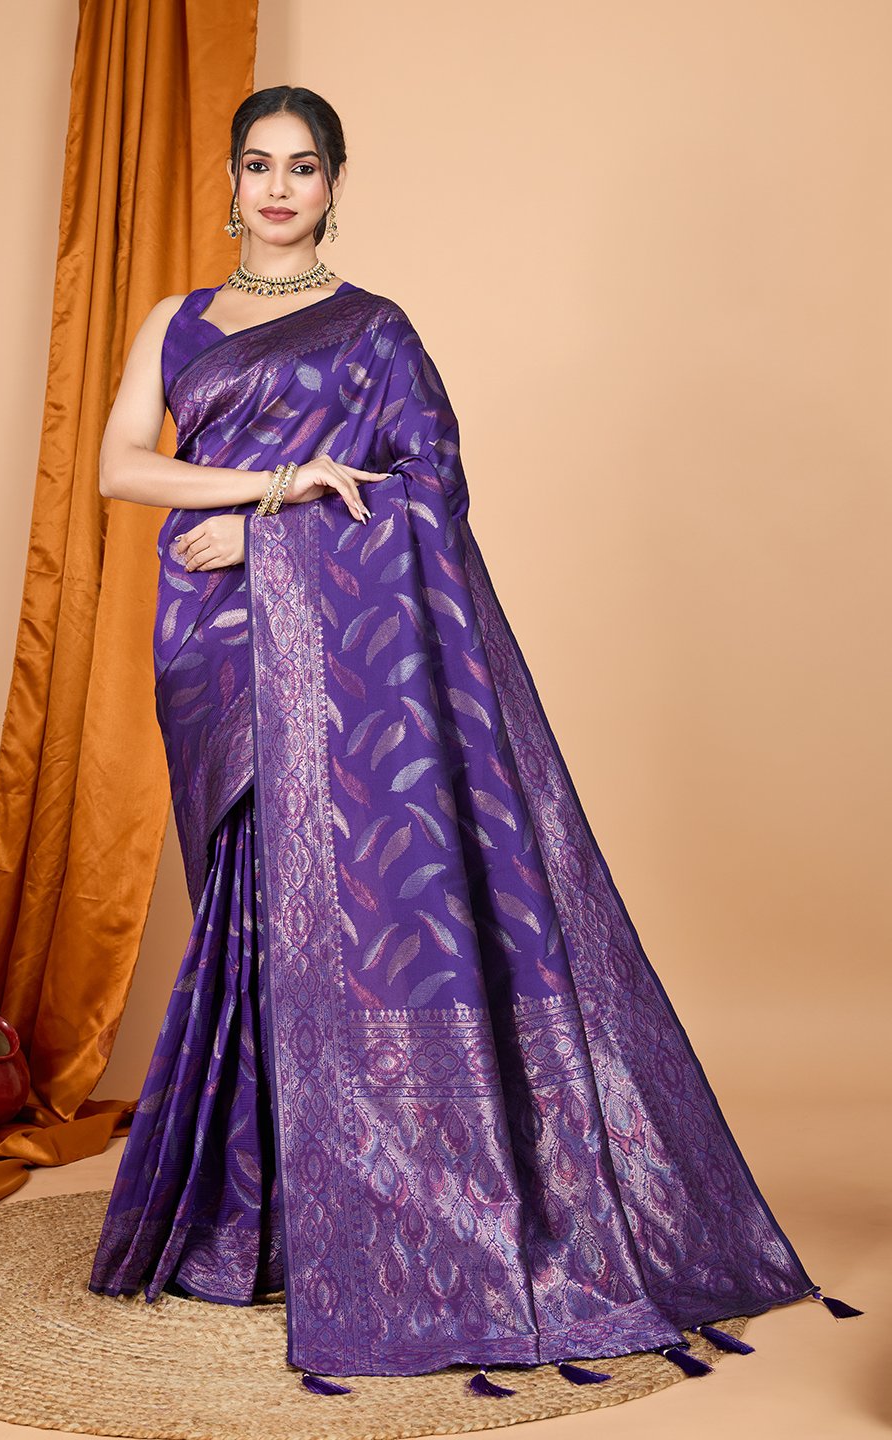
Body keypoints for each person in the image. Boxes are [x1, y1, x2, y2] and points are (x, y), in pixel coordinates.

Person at [87, 86, 860, 1392]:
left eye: (303, 167)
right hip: (209, 641)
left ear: (335, 185)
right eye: (258, 164)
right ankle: (249, 1215)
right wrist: (271, 485)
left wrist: (276, 527)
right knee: (249, 901)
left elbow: (431, 489)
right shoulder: (176, 320)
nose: (277, 188)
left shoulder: (377, 331)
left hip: (322, 638)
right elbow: (122, 468)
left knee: (335, 906)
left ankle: (357, 1206)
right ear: (230, 179)